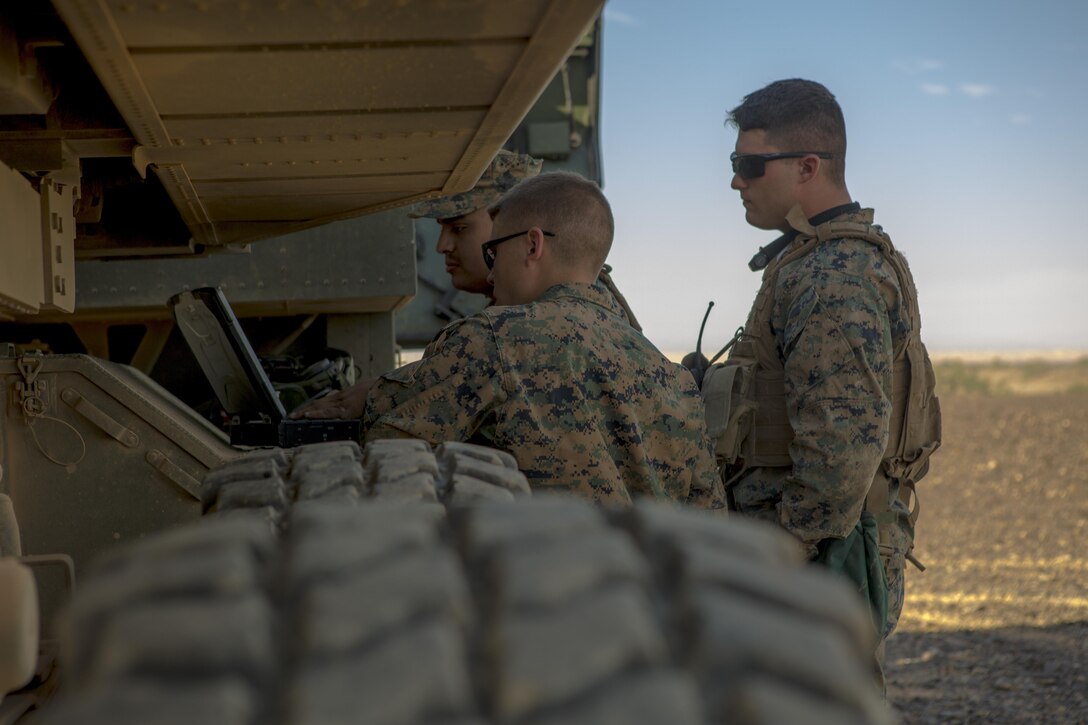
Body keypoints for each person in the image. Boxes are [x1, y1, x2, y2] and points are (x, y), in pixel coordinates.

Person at [713, 79, 940, 675]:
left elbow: (840, 451)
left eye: (749, 164)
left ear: (807, 166)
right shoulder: (816, 261)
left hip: (818, 560)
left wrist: (777, 554)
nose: (736, 179)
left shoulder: (833, 275)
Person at [362, 171, 725, 509]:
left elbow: (386, 438)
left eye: (494, 252)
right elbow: (708, 512)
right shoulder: (674, 379)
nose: (491, 272)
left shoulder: (493, 337)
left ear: (532, 245)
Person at [292, 150, 640, 420]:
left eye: (459, 229)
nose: (442, 245)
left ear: (512, 225)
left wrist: (379, 396)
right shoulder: (603, 317)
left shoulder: (500, 336)